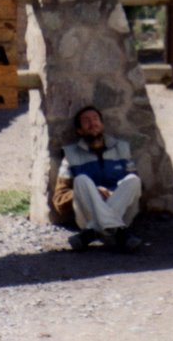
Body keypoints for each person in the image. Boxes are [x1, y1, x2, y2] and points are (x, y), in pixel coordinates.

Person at [52, 106, 143, 252]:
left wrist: (115, 195)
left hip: (122, 213)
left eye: (95, 119)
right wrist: (93, 192)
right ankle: (118, 232)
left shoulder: (122, 149)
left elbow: (136, 190)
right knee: (81, 180)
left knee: (133, 179)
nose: (92, 123)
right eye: (86, 121)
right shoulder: (70, 156)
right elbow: (59, 201)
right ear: (79, 130)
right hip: (87, 215)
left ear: (102, 125)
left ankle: (92, 232)